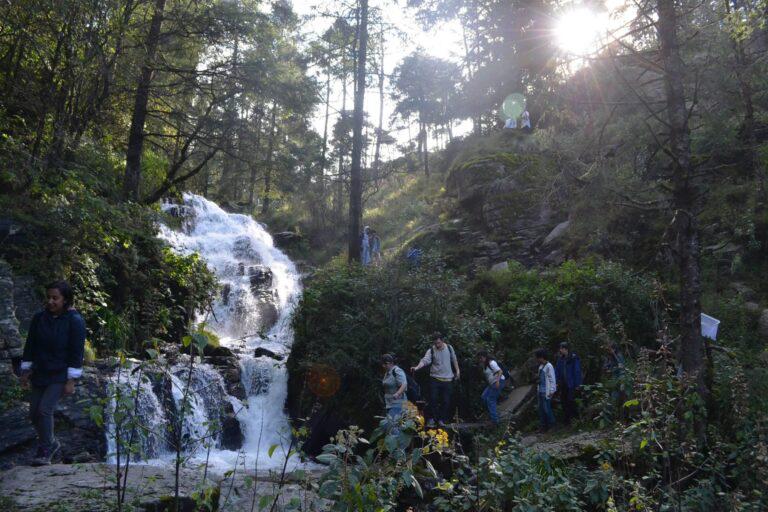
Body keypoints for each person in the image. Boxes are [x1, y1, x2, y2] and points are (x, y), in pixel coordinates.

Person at [19, 281, 86, 466]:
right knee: (34, 413)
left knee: (44, 410)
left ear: (65, 299)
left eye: (55, 298)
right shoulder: (39, 318)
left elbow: (76, 352)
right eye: (48, 297)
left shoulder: (74, 320)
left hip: (60, 373)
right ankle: (52, 443)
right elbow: (30, 345)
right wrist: (25, 371)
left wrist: (71, 380)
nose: (50, 301)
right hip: (40, 371)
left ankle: (46, 448)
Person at [411, 333, 460, 428]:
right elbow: (424, 361)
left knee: (446, 401)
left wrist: (458, 371)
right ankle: (433, 419)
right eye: (435, 343)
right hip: (435, 378)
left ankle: (441, 419)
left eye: (439, 343)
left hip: (448, 379)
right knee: (433, 399)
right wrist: (417, 367)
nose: (437, 345)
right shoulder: (431, 350)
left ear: (442, 341)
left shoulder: (449, 348)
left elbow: (454, 359)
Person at [555, 342, 582, 425]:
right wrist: (556, 381)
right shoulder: (560, 359)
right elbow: (557, 371)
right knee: (563, 401)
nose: (560, 350)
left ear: (565, 349)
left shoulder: (573, 358)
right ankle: (567, 420)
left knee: (571, 401)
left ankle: (575, 418)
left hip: (572, 384)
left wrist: (578, 384)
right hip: (563, 384)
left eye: (561, 348)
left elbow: (577, 371)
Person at [477, 350, 505, 426]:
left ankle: (495, 421)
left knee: (490, 399)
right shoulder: (485, 365)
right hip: (492, 384)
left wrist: (498, 381)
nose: (480, 360)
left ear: (485, 357)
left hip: (499, 381)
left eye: (481, 358)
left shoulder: (492, 363)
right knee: (484, 397)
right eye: (479, 358)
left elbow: (500, 371)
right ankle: (493, 414)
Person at [381, 354, 408, 422]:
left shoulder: (397, 371)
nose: (384, 366)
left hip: (399, 403)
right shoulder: (387, 372)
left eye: (386, 364)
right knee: (392, 424)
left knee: (391, 424)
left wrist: (397, 394)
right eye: (383, 364)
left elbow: (404, 384)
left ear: (391, 363)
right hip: (389, 403)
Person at [535, 348, 556, 432]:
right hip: (540, 391)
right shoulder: (540, 366)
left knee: (547, 409)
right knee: (541, 410)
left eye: (538, 357)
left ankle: (552, 425)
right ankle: (543, 426)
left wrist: (552, 390)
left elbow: (552, 379)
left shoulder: (549, 366)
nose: (537, 359)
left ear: (541, 357)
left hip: (546, 391)